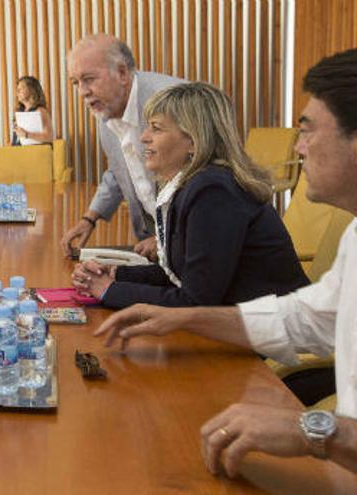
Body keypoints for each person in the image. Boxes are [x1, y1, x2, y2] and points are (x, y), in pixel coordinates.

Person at [94, 49, 357, 478]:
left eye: (307, 132)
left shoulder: (212, 188)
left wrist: (312, 431)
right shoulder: (355, 236)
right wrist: (183, 318)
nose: (299, 148)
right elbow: (303, 318)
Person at [72, 82, 308, 308]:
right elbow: (185, 276)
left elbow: (195, 301)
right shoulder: (195, 184)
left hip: (275, 338)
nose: (144, 137)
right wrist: (117, 274)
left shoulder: (213, 191)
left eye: (156, 128)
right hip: (242, 325)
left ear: (194, 141)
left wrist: (109, 290)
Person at [60, 34, 185, 260]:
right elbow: (120, 169)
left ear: (122, 73)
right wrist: (90, 218)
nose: (82, 92)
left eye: (89, 79)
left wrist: (167, 239)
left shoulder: (172, 101)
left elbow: (205, 179)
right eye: (75, 83)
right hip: (156, 247)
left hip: (194, 245)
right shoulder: (107, 111)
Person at [11, 76, 54, 145]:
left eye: (21, 88)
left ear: (31, 89)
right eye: (17, 89)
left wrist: (26, 135)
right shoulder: (19, 112)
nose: (17, 92)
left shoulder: (40, 111)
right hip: (18, 152)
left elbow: (49, 137)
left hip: (34, 152)